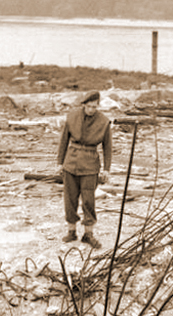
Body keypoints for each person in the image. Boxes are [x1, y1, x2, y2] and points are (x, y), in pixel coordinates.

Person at [56, 90, 112, 249]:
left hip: (90, 165)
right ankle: (71, 231)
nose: (91, 110)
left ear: (98, 106)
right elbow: (64, 140)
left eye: (94, 107)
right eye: (89, 106)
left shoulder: (103, 121)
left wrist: (107, 169)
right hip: (71, 163)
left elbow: (107, 147)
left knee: (88, 201)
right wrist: (60, 162)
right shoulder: (72, 116)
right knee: (70, 199)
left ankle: (88, 234)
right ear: (84, 105)